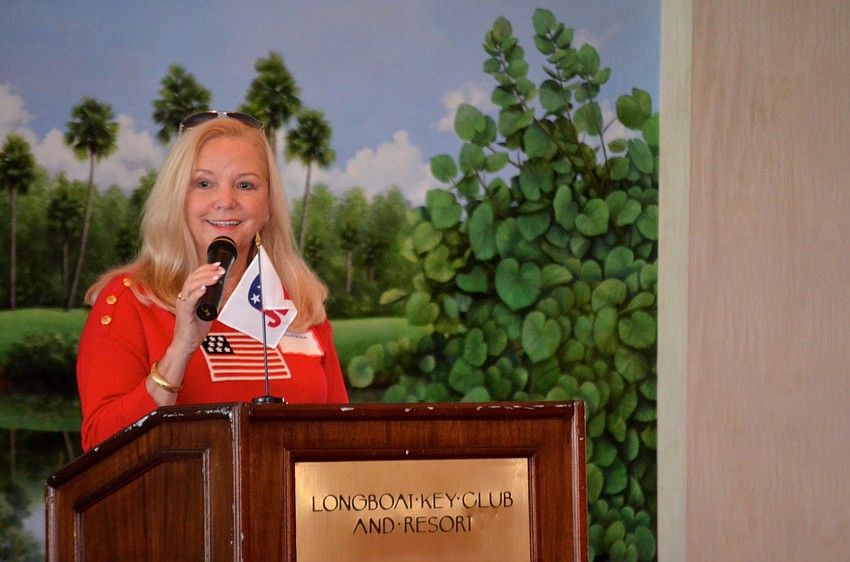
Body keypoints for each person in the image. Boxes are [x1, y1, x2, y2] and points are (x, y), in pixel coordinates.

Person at [76, 111, 348, 451]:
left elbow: (343, 438)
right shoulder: (131, 300)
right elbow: (101, 445)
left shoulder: (299, 303)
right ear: (179, 199)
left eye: (245, 185)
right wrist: (180, 352)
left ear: (267, 207)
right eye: (204, 183)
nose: (225, 201)